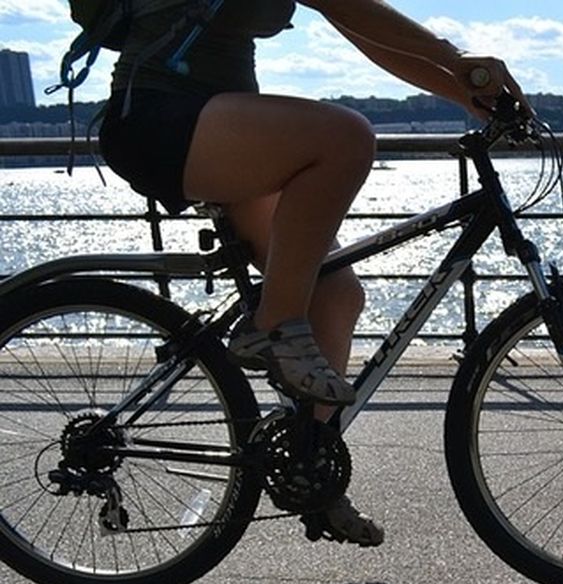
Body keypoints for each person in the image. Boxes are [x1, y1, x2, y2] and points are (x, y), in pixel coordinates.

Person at [97, 0, 531, 546]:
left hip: (211, 122)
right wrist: (459, 59)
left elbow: (360, 30)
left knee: (335, 293)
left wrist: (469, 95)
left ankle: (314, 473)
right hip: (160, 118)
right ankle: (273, 327)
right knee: (344, 137)